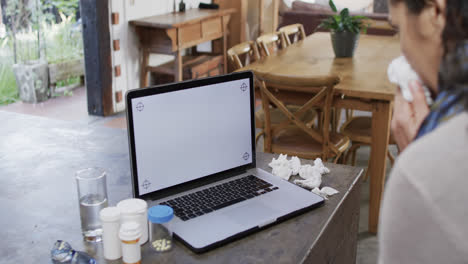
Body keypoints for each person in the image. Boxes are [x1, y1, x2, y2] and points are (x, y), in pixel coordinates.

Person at [379, 0, 468, 263]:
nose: (403, 51)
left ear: (435, 11)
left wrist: (422, 152)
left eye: (398, 29)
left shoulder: (421, 176)